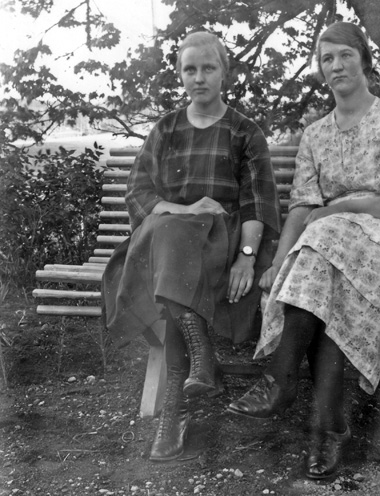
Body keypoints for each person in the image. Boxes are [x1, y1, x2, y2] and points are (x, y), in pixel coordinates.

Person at [227, 22, 380, 480]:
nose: (336, 65)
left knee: (326, 242)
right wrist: (280, 261)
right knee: (322, 266)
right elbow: (304, 208)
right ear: (320, 70)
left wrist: (343, 208)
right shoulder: (315, 134)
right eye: (327, 59)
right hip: (330, 242)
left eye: (345, 55)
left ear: (365, 60)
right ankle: (329, 426)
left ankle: (281, 379)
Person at [102, 31, 280, 462]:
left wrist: (246, 258)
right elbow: (139, 193)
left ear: (224, 73)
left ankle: (175, 410)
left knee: (172, 260)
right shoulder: (166, 128)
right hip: (165, 245)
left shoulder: (244, 131)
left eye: (208, 68)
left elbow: (258, 203)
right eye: (190, 69)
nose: (199, 77)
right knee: (169, 234)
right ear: (180, 75)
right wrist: (183, 211)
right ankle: (200, 359)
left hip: (219, 244)